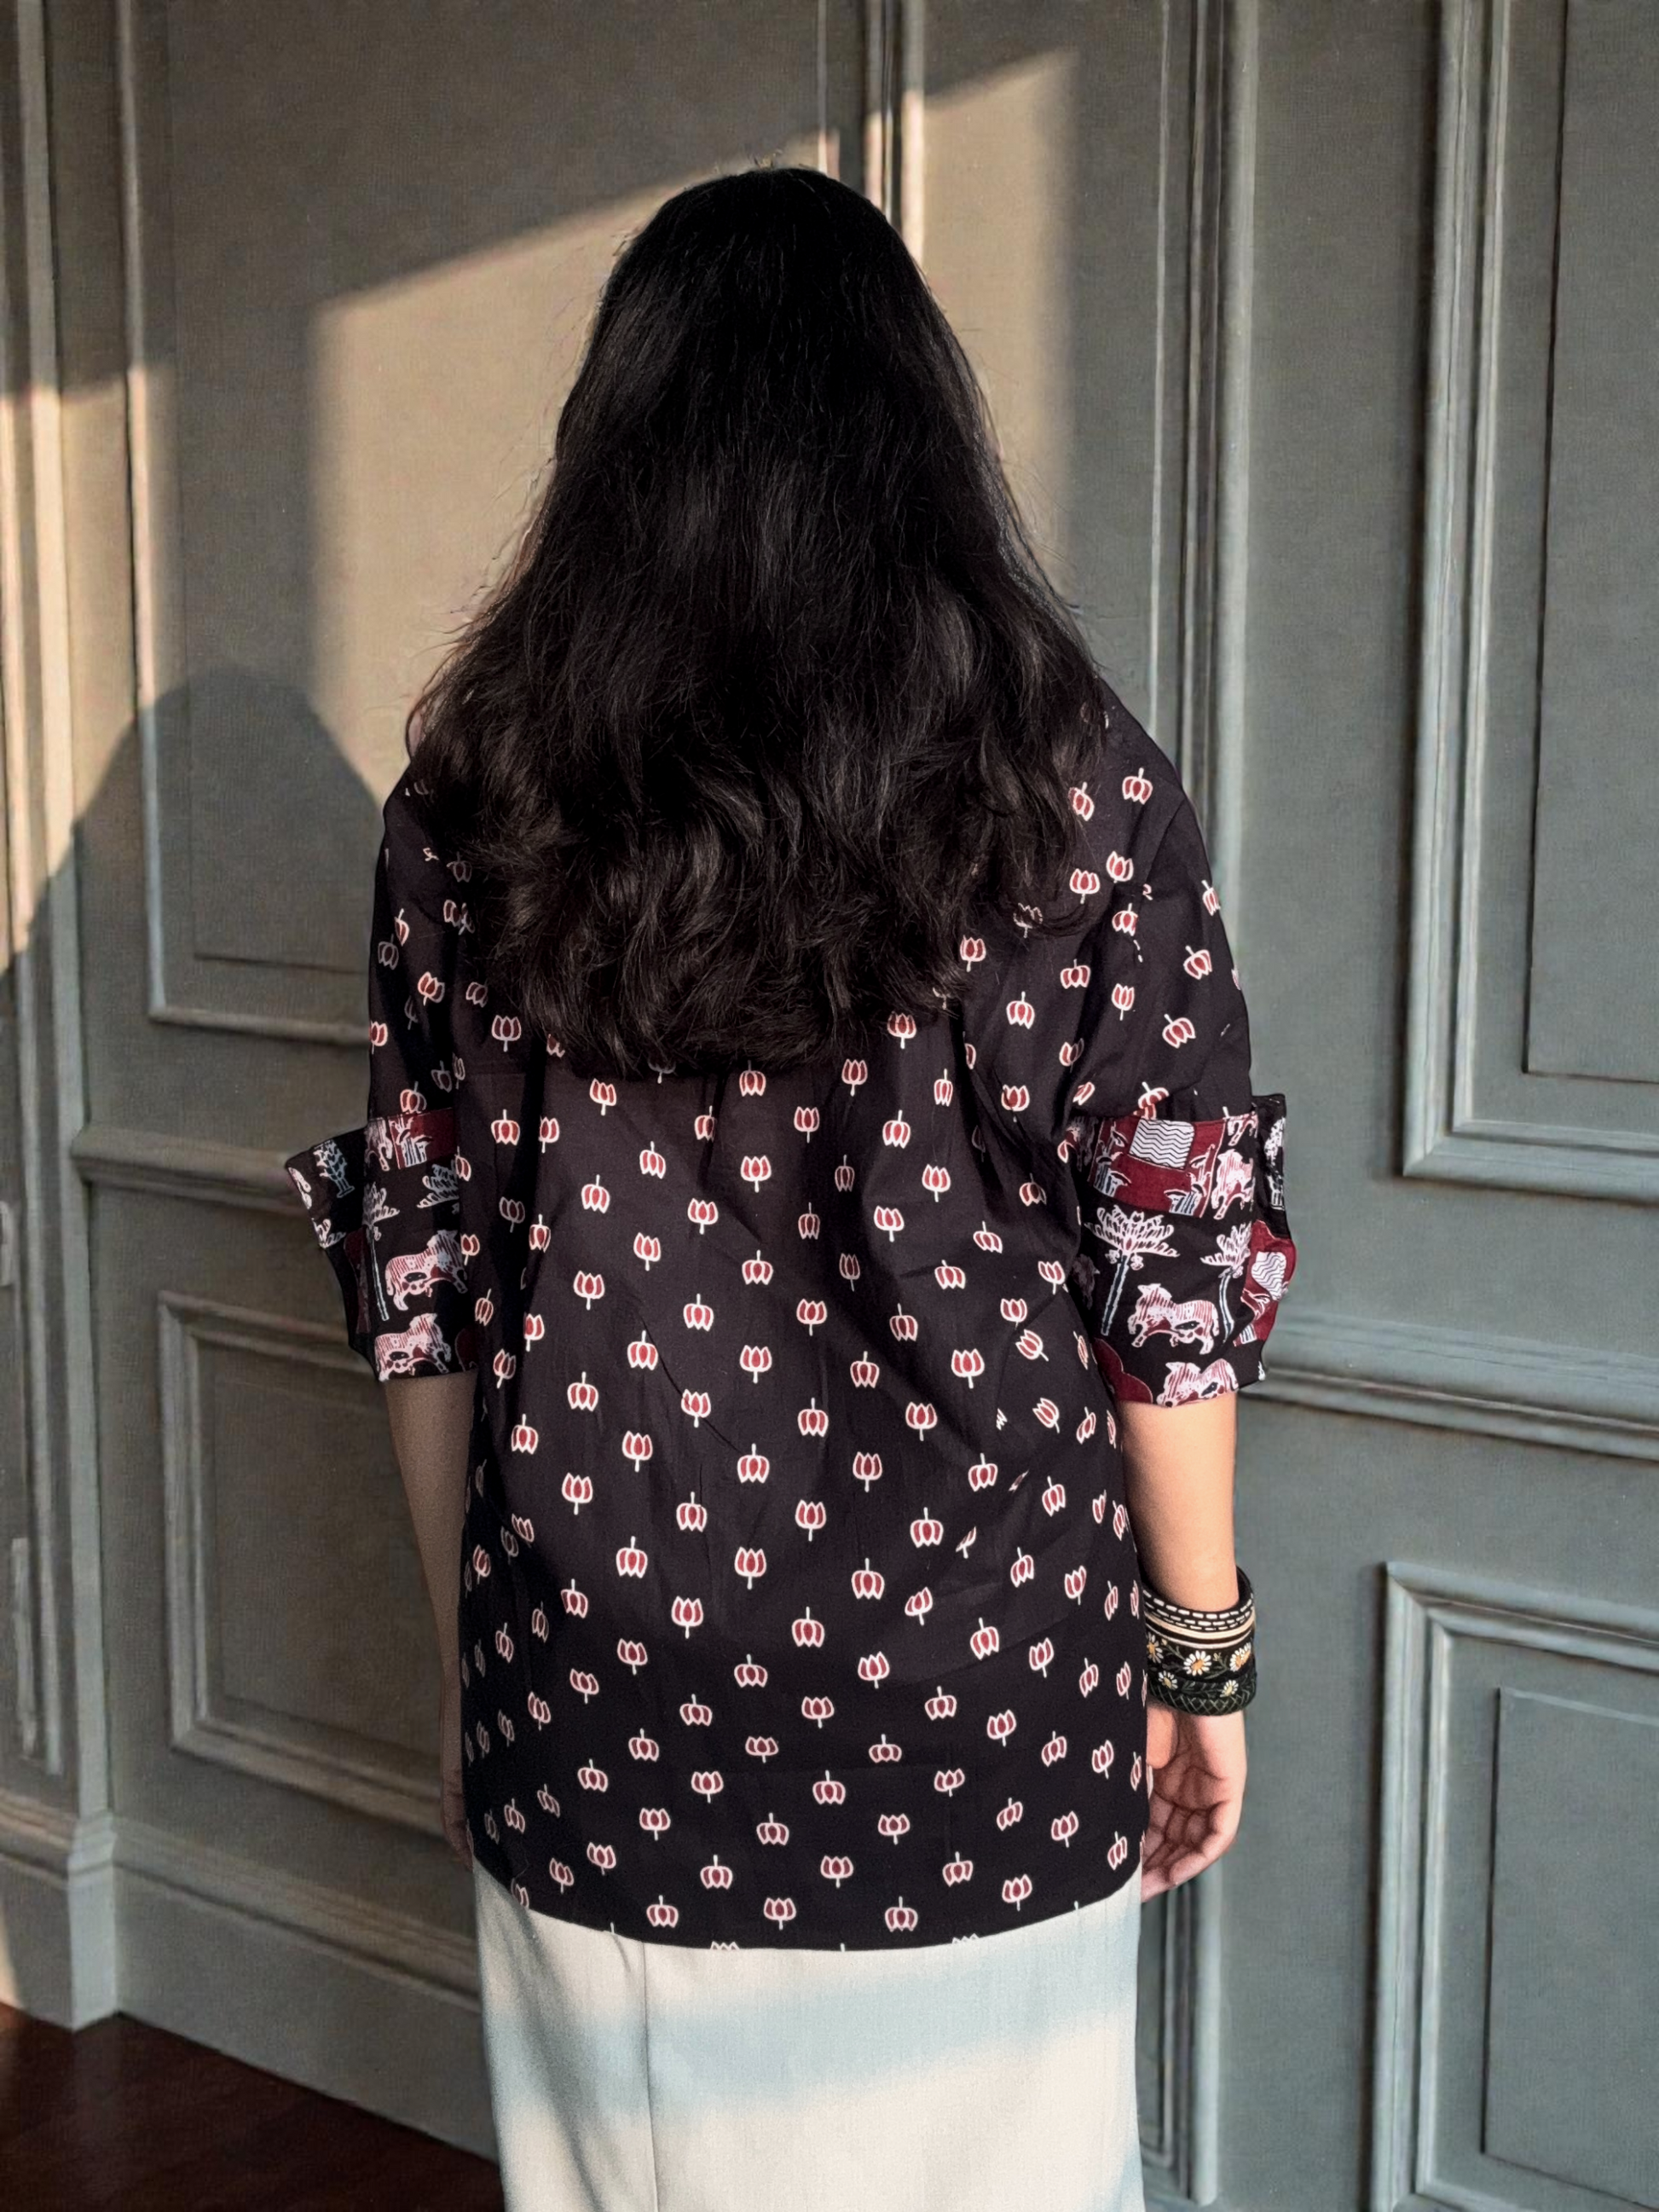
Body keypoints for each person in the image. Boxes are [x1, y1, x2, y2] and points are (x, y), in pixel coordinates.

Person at [284, 161, 1296, 2212]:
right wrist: (1197, 1656)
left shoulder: (476, 797)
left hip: (597, 1680)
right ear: (919, 434)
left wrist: (476, 1654)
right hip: (983, 1681)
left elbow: (429, 1284)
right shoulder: (1074, 783)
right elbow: (1166, 1272)